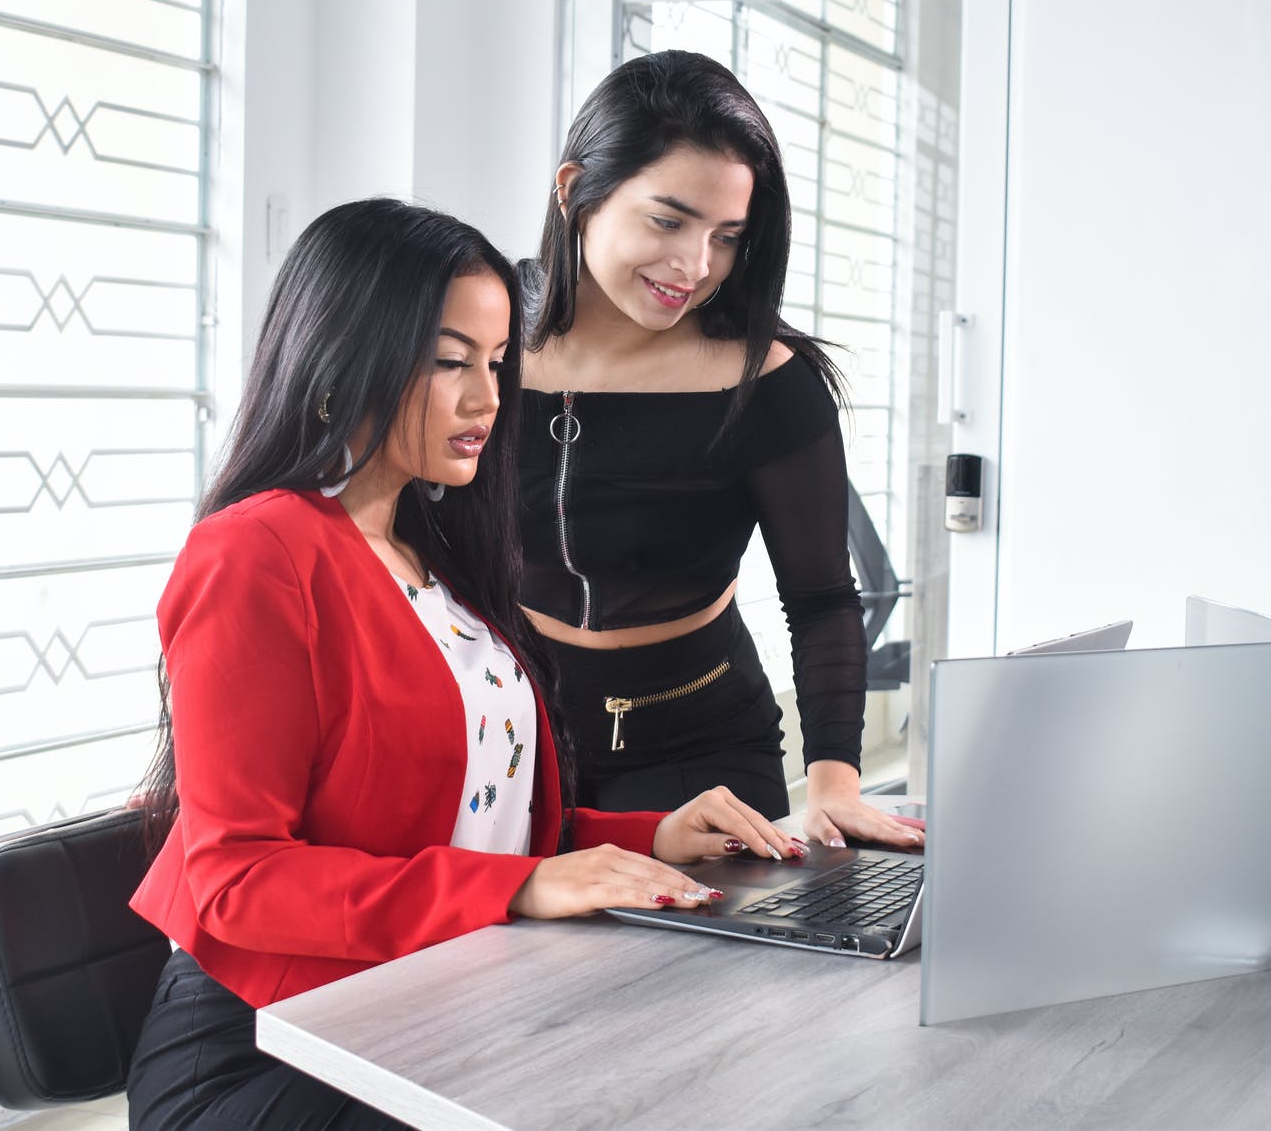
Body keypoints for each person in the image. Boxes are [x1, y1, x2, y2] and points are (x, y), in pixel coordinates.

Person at [125, 198, 801, 1131]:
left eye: (495, 363)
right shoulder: (256, 553)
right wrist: (521, 887)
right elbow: (238, 879)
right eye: (451, 363)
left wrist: (649, 836)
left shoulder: (431, 552)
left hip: (424, 1003)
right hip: (267, 1043)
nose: (487, 398)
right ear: (343, 357)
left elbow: (464, 821)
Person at [517, 50, 924, 850]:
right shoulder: (479, 339)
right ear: (576, 191)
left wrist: (835, 777)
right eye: (668, 221)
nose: (695, 267)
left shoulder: (766, 380)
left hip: (702, 754)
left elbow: (823, 598)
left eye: (727, 236)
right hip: (511, 737)